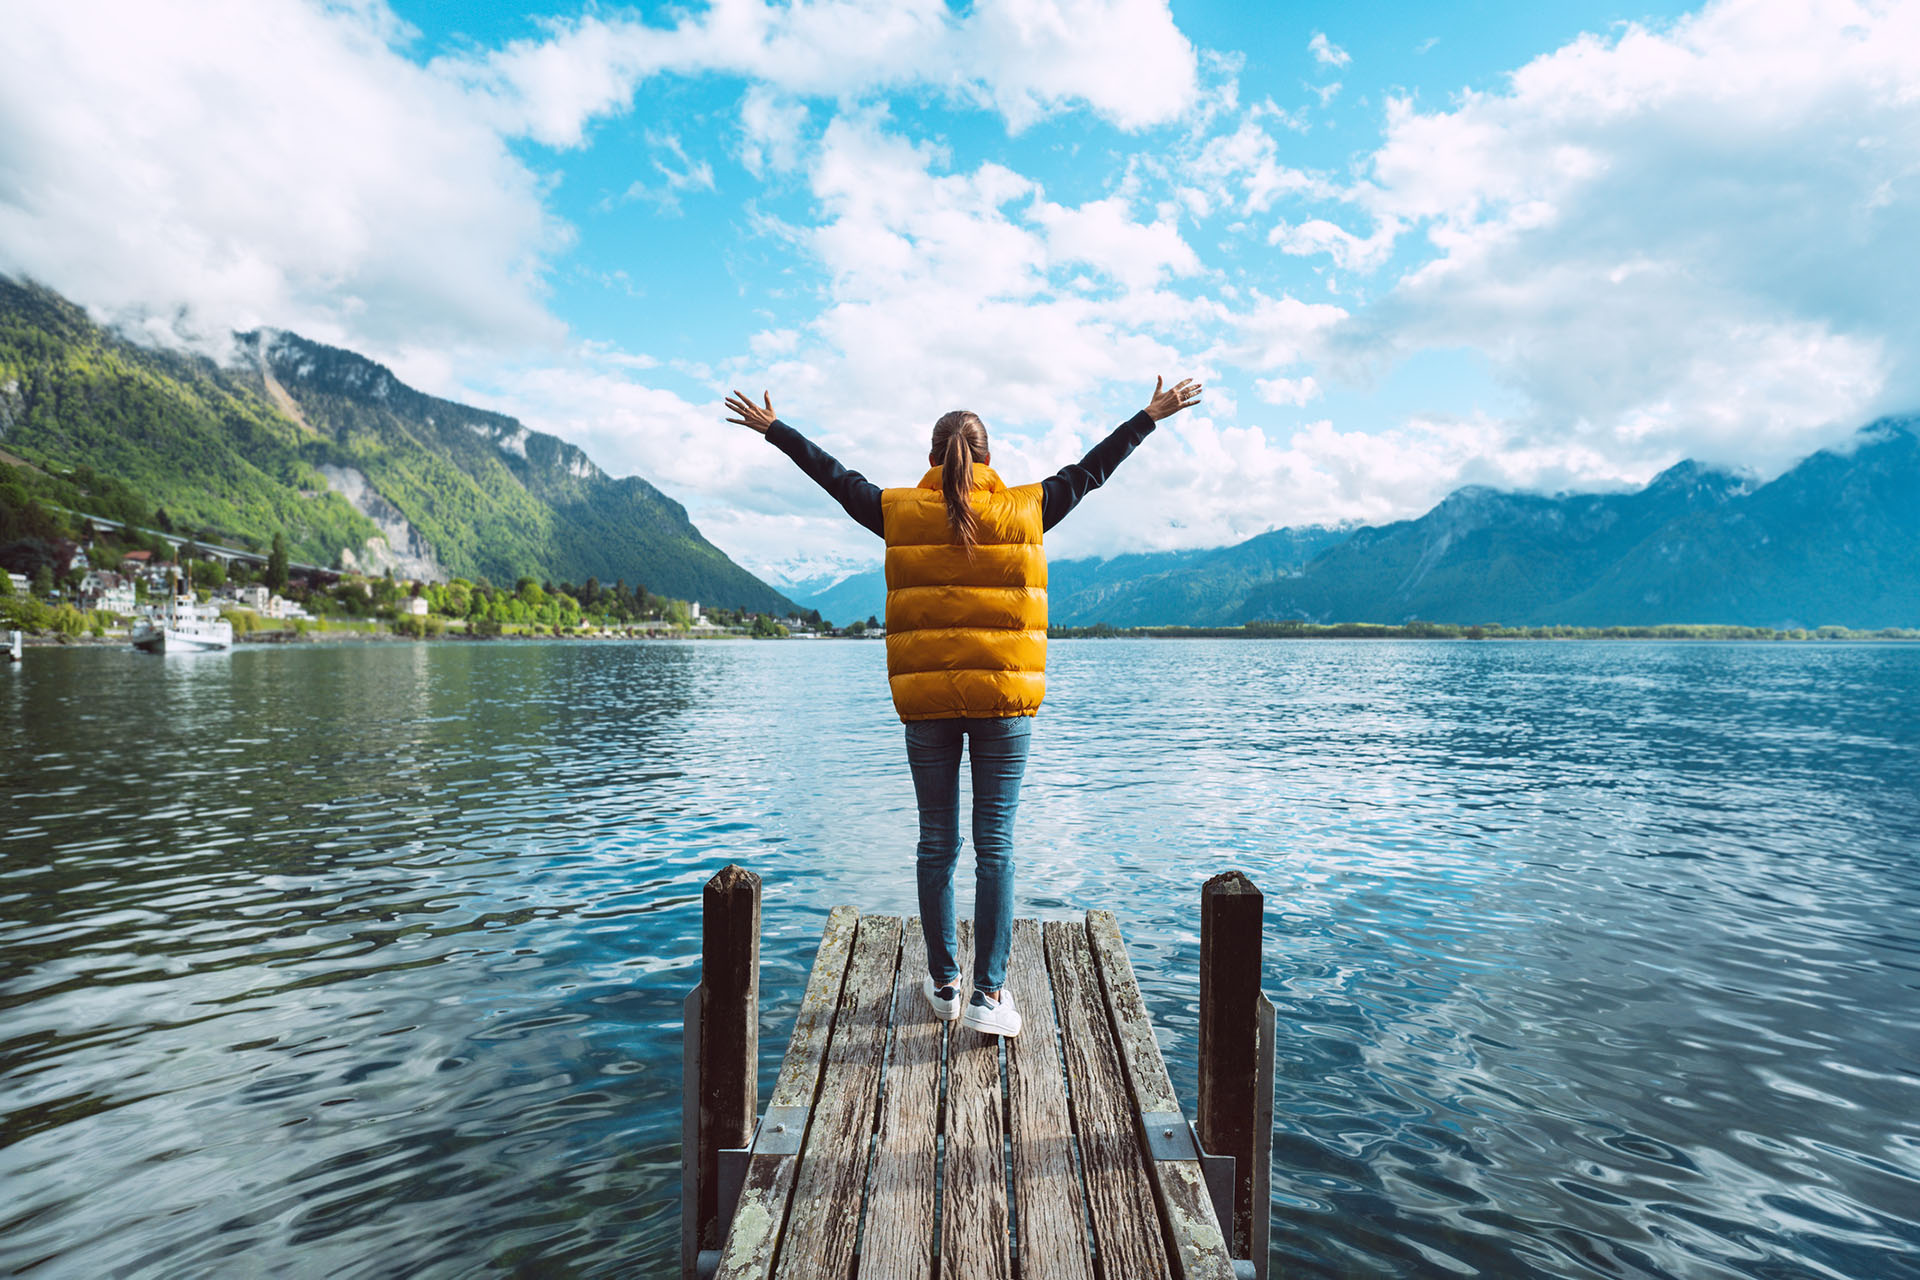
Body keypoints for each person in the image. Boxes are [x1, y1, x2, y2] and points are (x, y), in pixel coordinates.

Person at [722, 377, 1203, 1036]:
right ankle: (989, 994)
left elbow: (836, 477)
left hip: (927, 705)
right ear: (987, 456)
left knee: (936, 845)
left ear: (931, 457)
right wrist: (1149, 416)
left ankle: (944, 982)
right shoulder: (1028, 507)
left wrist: (775, 430)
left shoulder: (897, 509)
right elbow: (1091, 472)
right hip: (1005, 703)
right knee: (994, 846)